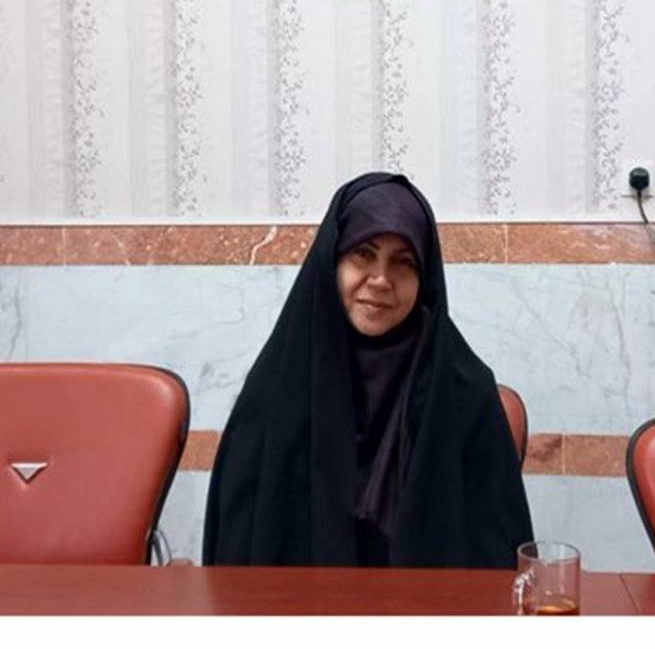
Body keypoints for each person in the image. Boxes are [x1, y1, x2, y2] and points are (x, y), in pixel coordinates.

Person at [202, 172, 533, 567]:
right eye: (363, 253)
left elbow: (498, 558)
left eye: (403, 262)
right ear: (332, 261)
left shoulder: (465, 394)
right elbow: (236, 552)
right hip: (296, 603)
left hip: (426, 604)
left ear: (424, 276)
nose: (380, 280)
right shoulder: (276, 391)